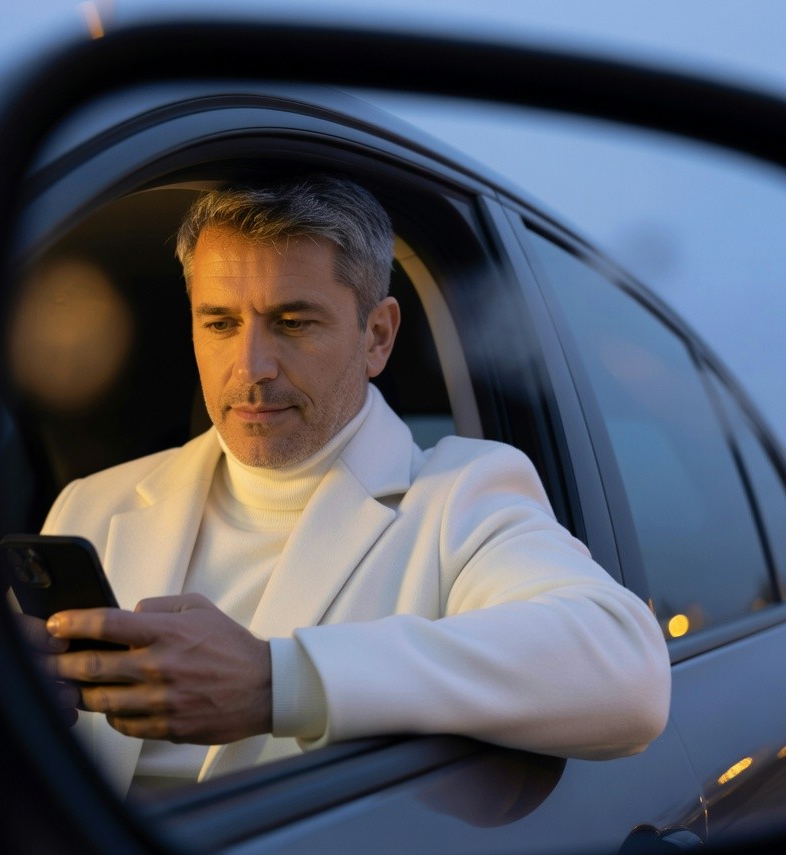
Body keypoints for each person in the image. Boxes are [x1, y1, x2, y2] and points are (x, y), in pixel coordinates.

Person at [37, 176, 671, 797]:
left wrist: (275, 683)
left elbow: (625, 668)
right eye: (221, 323)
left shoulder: (461, 494)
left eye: (292, 321)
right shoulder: (94, 503)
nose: (252, 367)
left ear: (377, 336)